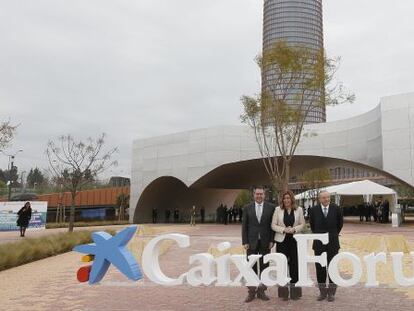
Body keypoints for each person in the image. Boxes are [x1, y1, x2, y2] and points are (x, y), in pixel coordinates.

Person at [242, 186, 276, 303]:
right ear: (253, 195)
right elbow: (244, 226)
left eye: (261, 194)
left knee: (264, 267)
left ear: (264, 195)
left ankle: (262, 291)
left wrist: (272, 240)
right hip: (251, 243)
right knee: (251, 268)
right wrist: (245, 241)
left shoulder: (271, 208)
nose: (259, 196)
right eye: (257, 194)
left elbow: (272, 226)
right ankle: (251, 292)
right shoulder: (247, 208)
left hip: (266, 243)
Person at [309, 191, 343, 302]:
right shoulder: (313, 210)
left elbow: (340, 224)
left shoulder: (336, 208)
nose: (326, 199)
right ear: (320, 199)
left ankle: (332, 293)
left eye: (328, 197)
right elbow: (313, 225)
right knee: (320, 268)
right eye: (324, 198)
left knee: (332, 267)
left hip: (333, 243)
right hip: (319, 244)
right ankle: (322, 292)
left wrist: (332, 235)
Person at [271, 190, 305, 300]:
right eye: (284, 198)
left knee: (295, 266)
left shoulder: (299, 210)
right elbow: (273, 225)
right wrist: (284, 230)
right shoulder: (277, 210)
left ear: (292, 199)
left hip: (294, 241)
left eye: (288, 198)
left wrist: (294, 229)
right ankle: (283, 294)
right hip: (282, 241)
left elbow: (302, 224)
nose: (286, 200)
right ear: (282, 200)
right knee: (282, 267)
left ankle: (295, 293)